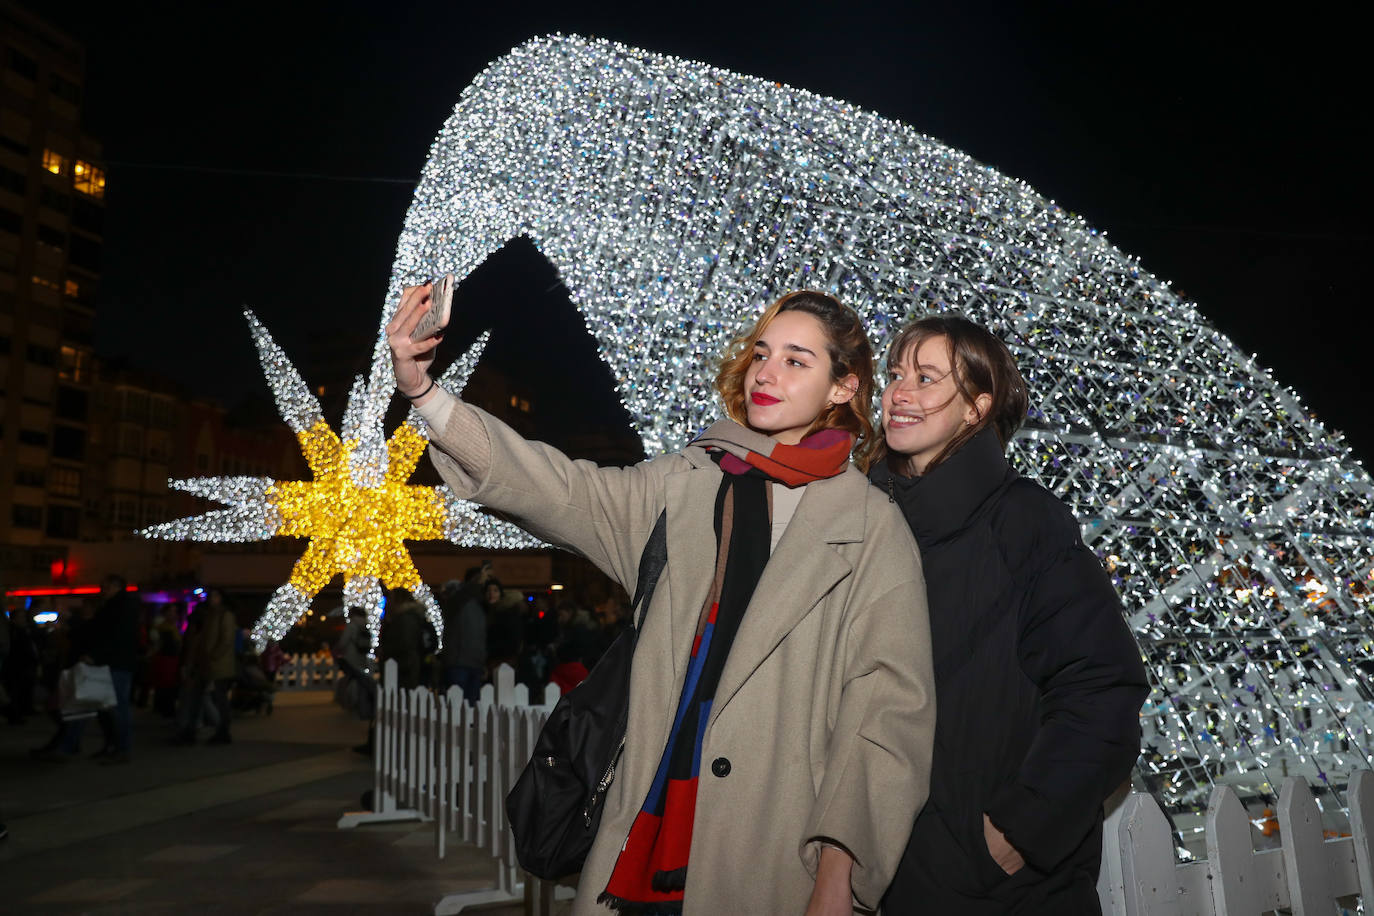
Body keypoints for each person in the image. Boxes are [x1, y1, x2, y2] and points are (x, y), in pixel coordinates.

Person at [388, 285, 936, 914]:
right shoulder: (686, 483)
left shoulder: (871, 527)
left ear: (843, 388)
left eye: (795, 360)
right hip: (639, 835)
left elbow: (886, 719)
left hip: (775, 855)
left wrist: (840, 879)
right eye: (762, 353)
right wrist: (425, 394)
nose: (766, 372)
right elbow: (563, 489)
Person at [865, 314, 1149, 914]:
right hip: (876, 871)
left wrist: (1018, 831)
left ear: (977, 408)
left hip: (999, 890)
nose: (899, 393)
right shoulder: (858, 523)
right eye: (895, 375)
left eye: (926, 377)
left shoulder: (1023, 521)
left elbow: (1101, 686)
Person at [439, 572, 487, 705]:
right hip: (463, 661)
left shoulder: (475, 605)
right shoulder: (465, 605)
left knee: (461, 705)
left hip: (462, 661)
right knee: (464, 705)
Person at [379, 589, 425, 690]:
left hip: (402, 668)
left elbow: (404, 644)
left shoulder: (405, 619)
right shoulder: (401, 618)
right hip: (401, 666)